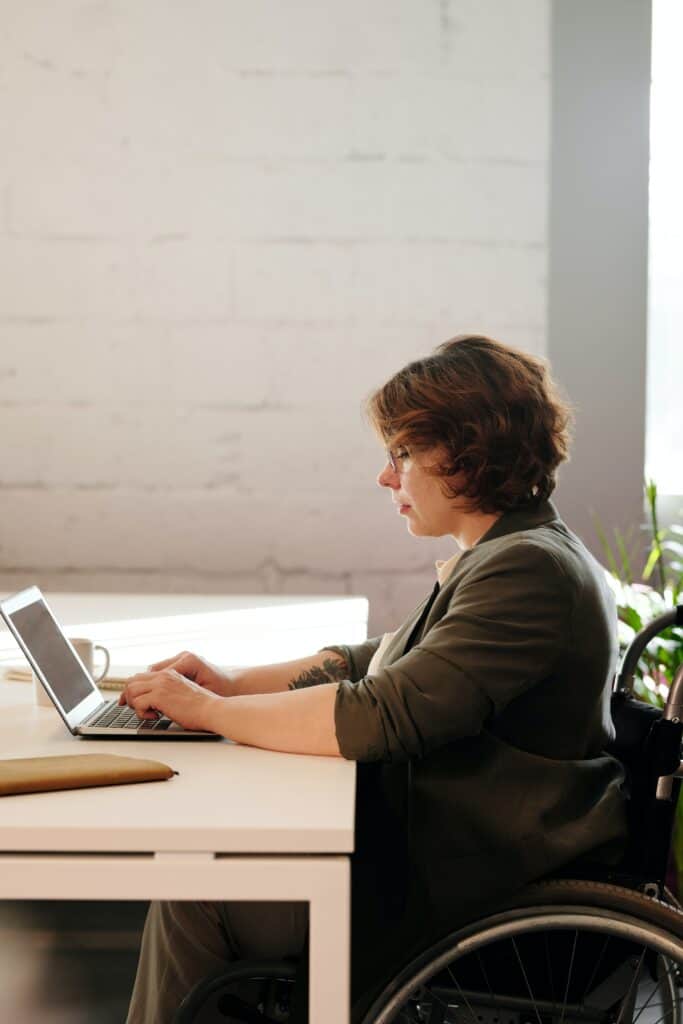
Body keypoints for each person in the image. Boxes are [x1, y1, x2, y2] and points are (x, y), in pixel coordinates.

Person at [122, 335, 627, 1024]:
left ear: (466, 451)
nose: (387, 478)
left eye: (402, 454)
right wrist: (230, 684)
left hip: (472, 884)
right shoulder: (511, 551)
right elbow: (376, 660)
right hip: (461, 858)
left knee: (198, 889)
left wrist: (209, 712)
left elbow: (380, 714)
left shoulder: (527, 570)